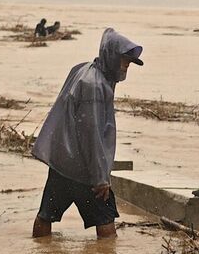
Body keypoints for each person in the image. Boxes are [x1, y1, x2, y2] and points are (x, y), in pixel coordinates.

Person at [29, 29, 142, 239]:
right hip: (84, 169)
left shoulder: (83, 70)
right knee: (106, 221)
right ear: (112, 57)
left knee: (46, 215)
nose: (126, 67)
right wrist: (100, 178)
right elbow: (92, 134)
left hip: (62, 162)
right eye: (125, 62)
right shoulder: (95, 86)